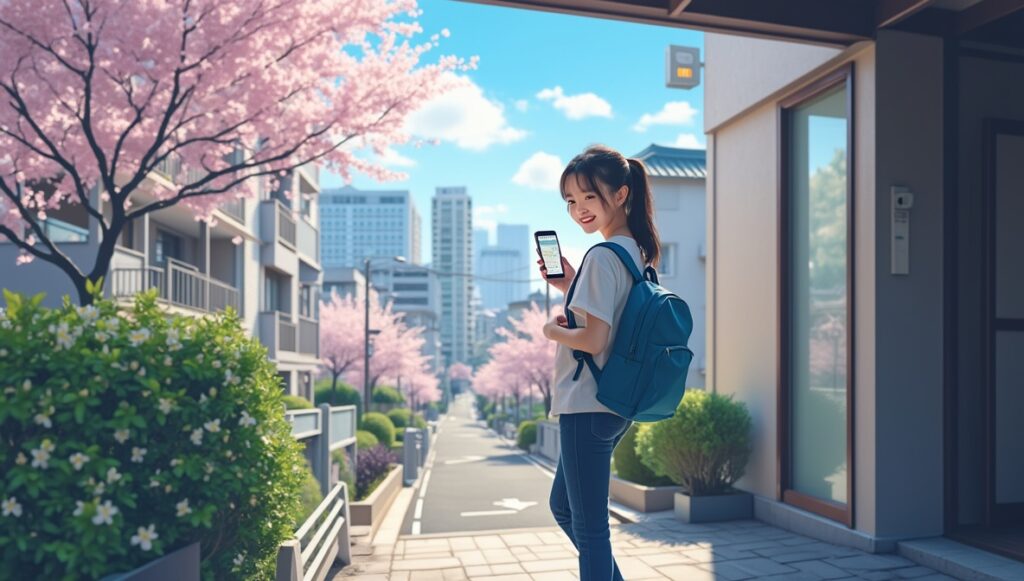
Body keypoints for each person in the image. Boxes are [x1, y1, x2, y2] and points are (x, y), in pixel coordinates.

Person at [538, 144, 661, 580]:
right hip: (615, 402)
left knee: (591, 530)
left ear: (622, 193)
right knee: (564, 508)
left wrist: (552, 330)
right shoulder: (636, 256)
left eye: (590, 196)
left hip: (586, 404)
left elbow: (593, 339)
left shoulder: (602, 257)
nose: (579, 209)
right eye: (570, 200)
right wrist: (571, 283)